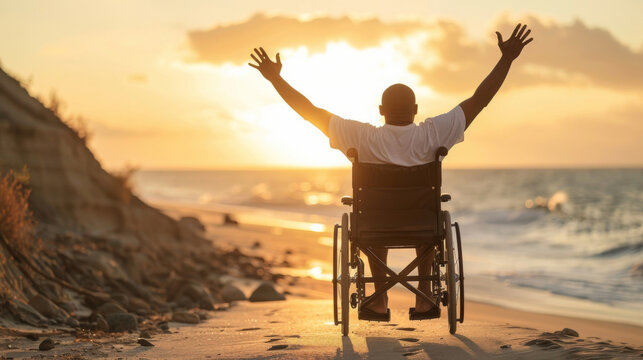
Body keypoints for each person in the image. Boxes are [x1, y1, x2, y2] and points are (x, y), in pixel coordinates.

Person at [249, 24, 533, 319]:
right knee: (427, 219)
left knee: (373, 221)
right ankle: (425, 298)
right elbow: (479, 100)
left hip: (373, 225)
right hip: (423, 223)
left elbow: (309, 111)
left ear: (381, 110)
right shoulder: (433, 134)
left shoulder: (360, 137)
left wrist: (275, 79)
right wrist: (506, 60)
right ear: (416, 109)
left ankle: (380, 298)